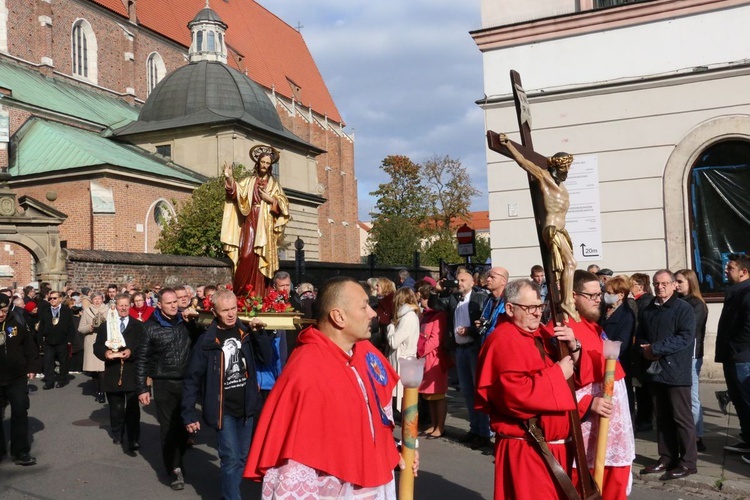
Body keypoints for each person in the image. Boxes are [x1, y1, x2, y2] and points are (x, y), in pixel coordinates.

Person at [244, 277, 417, 497]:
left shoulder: (363, 352)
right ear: (338, 316)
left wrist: (393, 452)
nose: (373, 313)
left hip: (376, 483)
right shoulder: (306, 372)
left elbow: (369, 419)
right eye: (364, 306)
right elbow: (296, 463)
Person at [475, 278, 590, 500]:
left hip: (556, 446)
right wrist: (557, 374)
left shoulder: (540, 334)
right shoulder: (502, 341)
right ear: (510, 308)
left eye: (539, 306)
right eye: (529, 308)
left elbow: (573, 379)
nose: (537, 313)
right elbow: (514, 396)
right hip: (528, 447)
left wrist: (574, 348)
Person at [182, 289, 272, 500]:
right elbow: (192, 378)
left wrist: (260, 335)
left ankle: (229, 493)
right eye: (225, 310)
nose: (231, 314)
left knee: (242, 457)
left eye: (234, 309)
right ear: (215, 311)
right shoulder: (207, 341)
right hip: (223, 409)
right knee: (230, 458)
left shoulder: (247, 333)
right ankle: (232, 497)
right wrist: (188, 413)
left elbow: (265, 358)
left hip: (247, 405)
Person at [569, 271, 635, 499]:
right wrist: (586, 404)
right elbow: (559, 383)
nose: (599, 299)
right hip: (591, 433)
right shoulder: (564, 331)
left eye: (600, 294)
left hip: (614, 431)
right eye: (593, 295)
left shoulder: (594, 326)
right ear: (573, 296)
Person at [500, 133, 578, 320]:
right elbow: (524, 162)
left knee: (564, 268)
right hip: (551, 229)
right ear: (556, 166)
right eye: (564, 168)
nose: (566, 171)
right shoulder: (544, 178)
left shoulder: (563, 187)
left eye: (568, 168)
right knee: (571, 263)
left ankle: (564, 301)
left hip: (562, 230)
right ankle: (567, 301)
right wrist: (508, 144)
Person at [638, 270, 697, 480]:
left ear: (674, 285)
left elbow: (685, 337)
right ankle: (667, 457)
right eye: (656, 284)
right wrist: (644, 348)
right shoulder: (648, 309)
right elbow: (641, 334)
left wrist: (655, 349)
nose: (660, 287)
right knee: (661, 418)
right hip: (655, 372)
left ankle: (688, 462)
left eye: (664, 283)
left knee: (681, 418)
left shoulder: (683, 309)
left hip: (676, 371)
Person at [135, 289, 193, 490]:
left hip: (185, 382)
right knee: (168, 429)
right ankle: (174, 468)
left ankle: (180, 457)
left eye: (175, 302)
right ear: (159, 305)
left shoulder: (186, 322)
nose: (174, 305)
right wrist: (142, 387)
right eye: (169, 303)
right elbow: (142, 358)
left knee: (185, 427)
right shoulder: (150, 327)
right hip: (164, 383)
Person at [221, 145, 290, 298]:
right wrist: (229, 178)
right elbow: (236, 193)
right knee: (246, 255)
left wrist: (270, 199)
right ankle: (241, 294)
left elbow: (285, 205)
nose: (264, 165)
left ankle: (260, 296)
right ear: (258, 163)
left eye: (267, 163)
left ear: (270, 165)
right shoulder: (249, 181)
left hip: (265, 226)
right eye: (262, 162)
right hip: (250, 220)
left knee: (261, 259)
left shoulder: (274, 184)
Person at [434, 269, 491, 449]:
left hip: (473, 347)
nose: (460, 283)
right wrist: (439, 290)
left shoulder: (479, 298)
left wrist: (470, 330)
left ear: (472, 282)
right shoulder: (455, 299)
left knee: (478, 390)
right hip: (460, 349)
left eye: (463, 280)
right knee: (466, 391)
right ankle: (474, 429)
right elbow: (436, 306)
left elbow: (484, 323)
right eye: (458, 280)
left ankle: (484, 432)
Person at [93, 294, 145, 454]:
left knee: (132, 408)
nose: (123, 308)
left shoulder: (138, 326)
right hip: (113, 371)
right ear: (115, 306)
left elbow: (143, 346)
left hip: (131, 371)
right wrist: (105, 353)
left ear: (130, 306)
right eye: (120, 305)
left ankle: (134, 438)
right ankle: (117, 433)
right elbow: (97, 346)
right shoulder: (106, 326)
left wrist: (131, 351)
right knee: (116, 407)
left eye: (126, 305)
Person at [715, 253, 750, 461]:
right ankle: (747, 439)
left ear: (743, 272)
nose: (726, 271)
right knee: (738, 400)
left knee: (746, 401)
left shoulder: (747, 292)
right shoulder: (736, 291)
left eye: (730, 268)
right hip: (732, 356)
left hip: (742, 357)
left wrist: (734, 347)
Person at [0, 294, 39, 466]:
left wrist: (32, 366)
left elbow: (29, 345)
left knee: (20, 412)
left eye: (3, 310)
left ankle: (21, 451)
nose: (1, 314)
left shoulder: (18, 320)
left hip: (17, 376)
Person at [675, 268, 709, 452]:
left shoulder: (697, 304)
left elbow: (688, 329)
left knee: (692, 397)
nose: (676, 284)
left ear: (690, 282)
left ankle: (697, 436)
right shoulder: (678, 301)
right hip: (680, 354)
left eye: (680, 281)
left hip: (692, 354)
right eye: (676, 281)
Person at [416, 282, 449, 438]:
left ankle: (440, 426)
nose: (421, 301)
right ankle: (433, 424)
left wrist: (421, 351)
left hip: (434, 358)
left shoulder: (438, 315)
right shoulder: (425, 315)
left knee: (437, 394)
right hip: (425, 358)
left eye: (422, 298)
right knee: (429, 395)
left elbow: (435, 339)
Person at [601, 275, 637, 417]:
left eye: (609, 293)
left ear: (621, 295)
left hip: (618, 362)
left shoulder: (626, 315)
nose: (606, 296)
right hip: (604, 359)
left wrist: (607, 349)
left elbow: (623, 342)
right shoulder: (605, 310)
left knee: (623, 396)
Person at [386, 286, 420, 412]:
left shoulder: (408, 317)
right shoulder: (409, 315)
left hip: (403, 360)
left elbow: (394, 342)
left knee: (403, 395)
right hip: (406, 358)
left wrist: (390, 328)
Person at [630, 272, 654, 431]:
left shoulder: (644, 302)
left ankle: (645, 420)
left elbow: (642, 325)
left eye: (631, 284)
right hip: (639, 348)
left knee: (643, 387)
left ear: (641, 286)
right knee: (641, 387)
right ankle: (644, 418)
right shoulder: (640, 301)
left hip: (642, 349)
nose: (629, 288)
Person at [39, 290, 76, 390]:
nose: (52, 300)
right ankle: (49, 381)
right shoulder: (45, 310)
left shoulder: (66, 310)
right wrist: (40, 340)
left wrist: (70, 340)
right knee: (48, 361)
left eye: (54, 298)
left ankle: (62, 379)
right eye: (50, 298)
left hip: (62, 340)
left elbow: (71, 326)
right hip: (49, 341)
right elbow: (41, 326)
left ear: (60, 299)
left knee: (63, 361)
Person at [79, 291, 109, 403]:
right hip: (91, 341)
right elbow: (80, 328)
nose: (97, 301)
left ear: (102, 300)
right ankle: (97, 390)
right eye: (95, 299)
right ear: (91, 300)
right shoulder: (87, 311)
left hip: (103, 341)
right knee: (94, 370)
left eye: (99, 299)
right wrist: (90, 327)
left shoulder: (108, 310)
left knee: (102, 370)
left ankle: (102, 392)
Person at [478, 267, 509, 342]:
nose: (488, 279)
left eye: (492, 277)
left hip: (501, 343)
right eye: (488, 276)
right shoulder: (488, 300)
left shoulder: (509, 301)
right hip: (487, 343)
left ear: (503, 281)